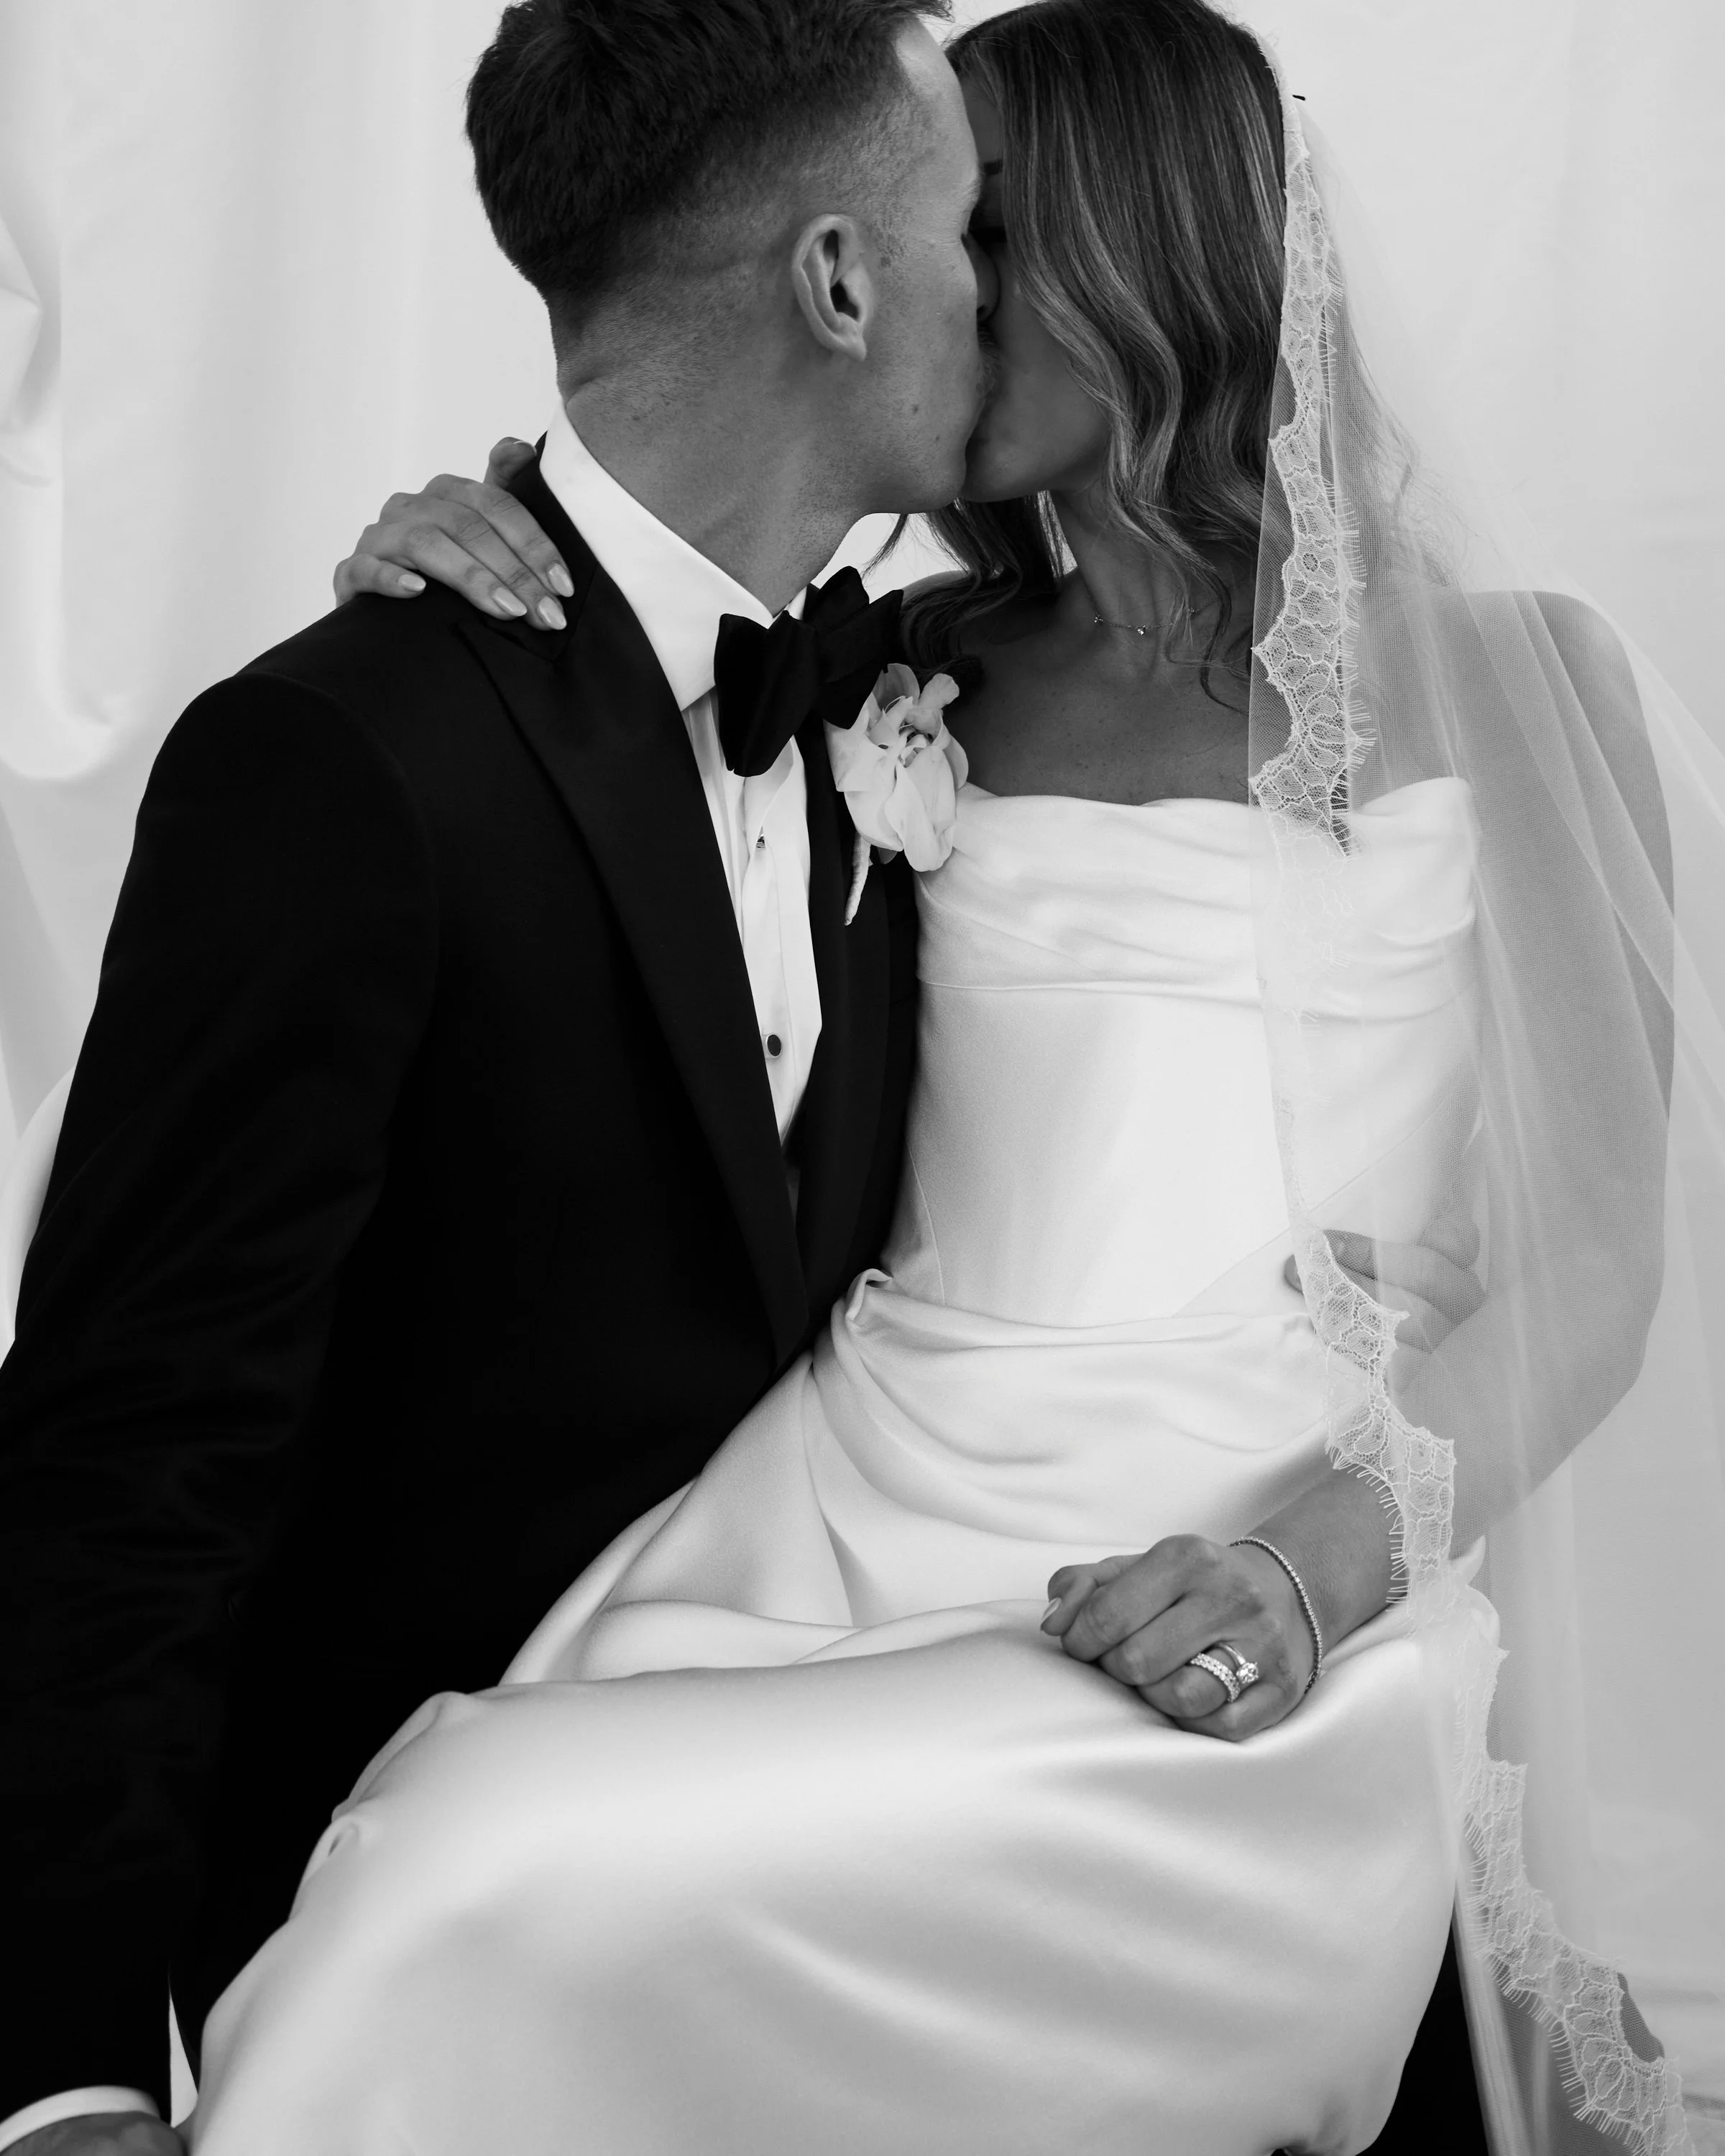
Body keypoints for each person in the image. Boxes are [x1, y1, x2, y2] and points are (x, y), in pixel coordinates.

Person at [176, 3, 1711, 2154]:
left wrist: (1304, 1566)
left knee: (502, 1869)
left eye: (977, 222)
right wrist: (471, 558)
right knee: (451, 1843)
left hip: (1252, 1533)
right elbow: (626, 752)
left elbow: (1604, 1252)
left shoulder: (1521, 687)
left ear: (1141, 252)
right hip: (849, 1487)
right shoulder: (901, 683)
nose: (915, 276)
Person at [0, 4, 986, 2151]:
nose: (996, 289)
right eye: (969, 232)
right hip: (426, 1985)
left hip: (847, 1924)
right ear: (838, 279)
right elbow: (127, 1444)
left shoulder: (933, 702)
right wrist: (63, 2071)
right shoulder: (344, 757)